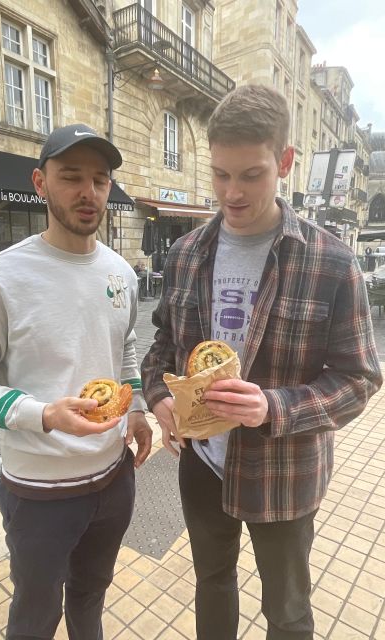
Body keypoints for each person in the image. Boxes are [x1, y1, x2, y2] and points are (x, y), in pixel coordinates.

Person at [141, 85, 382, 640]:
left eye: (250, 175)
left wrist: (273, 407)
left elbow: (359, 379)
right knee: (213, 587)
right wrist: (158, 398)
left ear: (286, 163)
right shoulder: (186, 254)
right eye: (221, 174)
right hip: (202, 464)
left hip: (285, 473)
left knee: (289, 613)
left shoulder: (331, 261)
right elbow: (163, 348)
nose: (232, 192)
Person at [0, 123, 152, 640]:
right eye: (71, 177)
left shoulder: (121, 273)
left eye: (100, 180)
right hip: (39, 493)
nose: (88, 193)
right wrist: (42, 414)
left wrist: (134, 409)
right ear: (40, 183)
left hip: (113, 479)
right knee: (36, 616)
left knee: (91, 598)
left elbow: (123, 342)